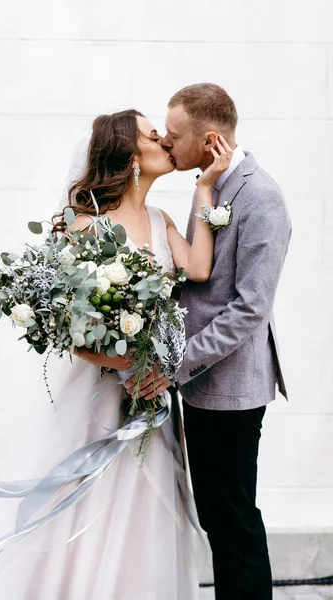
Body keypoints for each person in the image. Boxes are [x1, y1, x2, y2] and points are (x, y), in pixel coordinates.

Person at [0, 109, 232, 599]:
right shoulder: (85, 228)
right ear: (131, 155)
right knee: (82, 506)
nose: (162, 139)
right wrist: (129, 364)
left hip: (148, 400)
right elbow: (66, 332)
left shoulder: (160, 221)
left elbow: (198, 268)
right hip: (100, 400)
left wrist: (204, 190)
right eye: (151, 134)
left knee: (142, 511)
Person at [131, 84, 292, 600]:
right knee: (218, 517)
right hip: (202, 384)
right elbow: (197, 277)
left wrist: (176, 361)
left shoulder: (261, 197)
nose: (165, 141)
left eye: (174, 136)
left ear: (210, 139)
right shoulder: (213, 183)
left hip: (230, 389)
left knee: (234, 518)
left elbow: (249, 308)